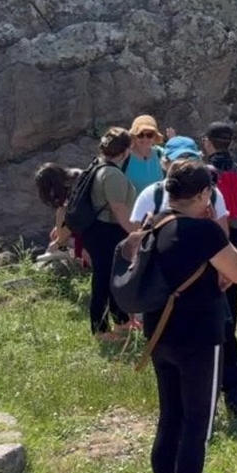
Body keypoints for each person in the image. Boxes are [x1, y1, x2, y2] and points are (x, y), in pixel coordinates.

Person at [144, 159, 237, 473]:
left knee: (169, 418)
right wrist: (216, 231)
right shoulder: (203, 231)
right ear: (204, 193)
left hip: (159, 332)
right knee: (197, 425)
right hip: (200, 337)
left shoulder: (153, 223)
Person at [200, 123, 237, 419]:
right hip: (234, 237)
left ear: (208, 143)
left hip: (207, 237)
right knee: (229, 297)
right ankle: (228, 338)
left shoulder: (200, 174)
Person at [85, 127, 139, 341]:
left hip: (99, 231)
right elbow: (119, 208)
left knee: (113, 278)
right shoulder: (113, 174)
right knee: (103, 280)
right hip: (107, 231)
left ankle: (122, 322)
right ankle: (100, 330)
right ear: (126, 150)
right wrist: (138, 233)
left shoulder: (98, 166)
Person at [34, 163, 87, 264]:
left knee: (65, 241)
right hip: (83, 223)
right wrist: (58, 231)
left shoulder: (79, 183)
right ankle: (68, 253)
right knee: (56, 235)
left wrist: (58, 242)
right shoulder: (68, 179)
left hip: (96, 224)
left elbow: (76, 216)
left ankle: (75, 257)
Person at [124, 115, 167, 194]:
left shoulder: (160, 153)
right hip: (132, 206)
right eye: (140, 135)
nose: (145, 139)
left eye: (149, 135)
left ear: (154, 137)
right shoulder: (124, 156)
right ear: (134, 136)